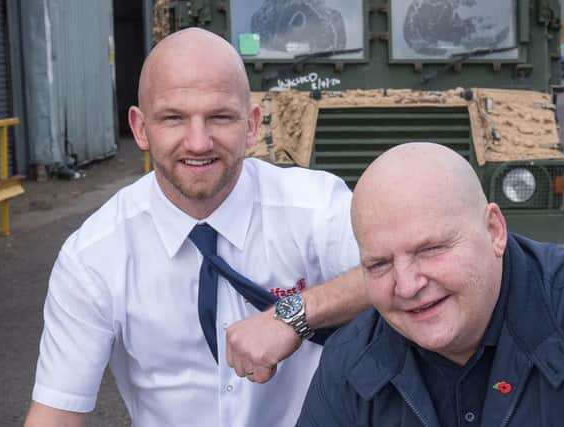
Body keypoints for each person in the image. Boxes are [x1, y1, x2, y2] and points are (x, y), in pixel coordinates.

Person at [24, 28, 367, 427]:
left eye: (220, 116)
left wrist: (296, 311)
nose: (199, 142)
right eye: (173, 118)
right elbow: (57, 411)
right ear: (140, 128)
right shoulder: (93, 257)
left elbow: (402, 270)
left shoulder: (315, 206)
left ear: (253, 124)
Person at [297, 142, 564, 426]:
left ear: (494, 231)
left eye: (430, 249)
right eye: (379, 264)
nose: (407, 286)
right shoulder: (347, 364)